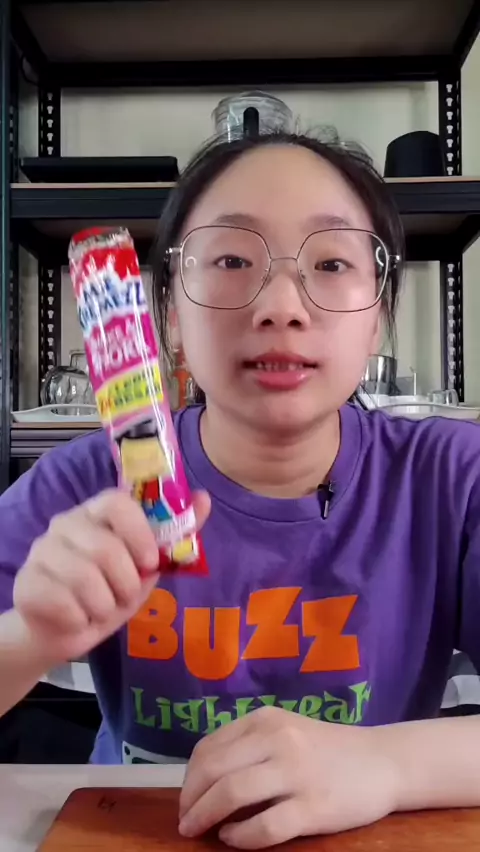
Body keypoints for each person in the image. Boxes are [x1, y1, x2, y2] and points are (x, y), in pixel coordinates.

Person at [1, 129, 480, 848]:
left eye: (331, 262)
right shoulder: (86, 484)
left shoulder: (452, 479)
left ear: (379, 314)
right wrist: (29, 637)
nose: (282, 306)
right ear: (170, 314)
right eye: (230, 259)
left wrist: (386, 764)